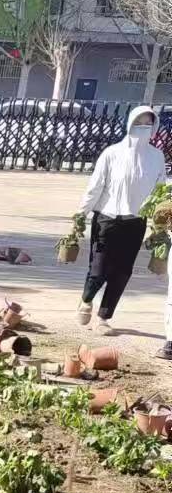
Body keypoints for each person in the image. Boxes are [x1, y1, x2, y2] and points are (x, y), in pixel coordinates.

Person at [78, 105, 168, 332]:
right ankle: (86, 299)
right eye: (139, 123)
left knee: (122, 272)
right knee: (99, 269)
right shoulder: (112, 153)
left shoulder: (156, 157)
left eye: (148, 124)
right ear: (129, 124)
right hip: (107, 218)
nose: (143, 128)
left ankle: (103, 317)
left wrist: (161, 222)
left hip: (136, 222)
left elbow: (159, 190)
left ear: (154, 127)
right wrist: (81, 213)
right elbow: (95, 186)